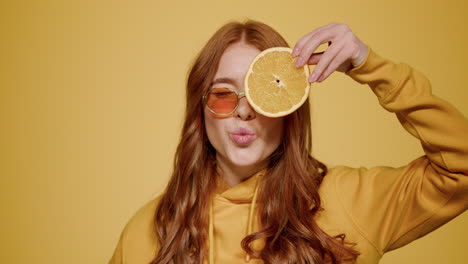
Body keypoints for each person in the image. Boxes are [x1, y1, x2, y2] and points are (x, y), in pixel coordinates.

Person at [109, 19, 468, 264]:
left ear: (289, 108)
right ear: (199, 109)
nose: (244, 112)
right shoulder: (150, 229)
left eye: (263, 93)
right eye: (223, 93)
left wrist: (368, 65)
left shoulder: (349, 201)